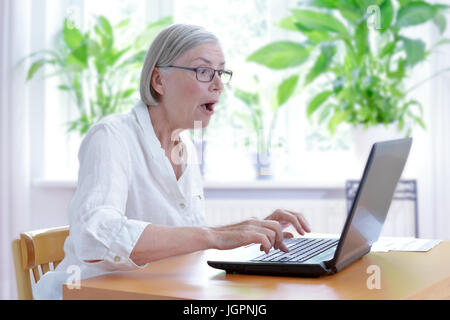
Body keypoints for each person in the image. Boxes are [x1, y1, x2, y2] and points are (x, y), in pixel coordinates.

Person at [34, 24, 311, 299]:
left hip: (157, 292)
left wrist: (247, 230)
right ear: (159, 81)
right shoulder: (111, 136)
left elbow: (185, 238)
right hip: (90, 293)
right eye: (203, 71)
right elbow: (95, 235)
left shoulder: (184, 146)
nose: (218, 85)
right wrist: (215, 236)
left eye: (221, 72)